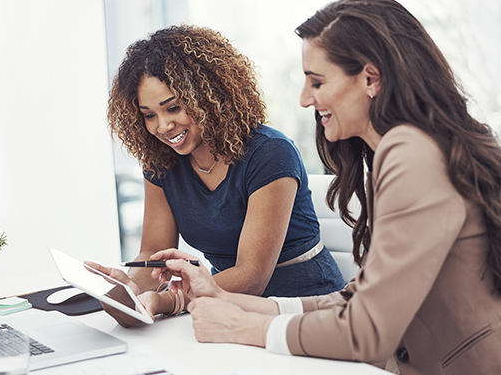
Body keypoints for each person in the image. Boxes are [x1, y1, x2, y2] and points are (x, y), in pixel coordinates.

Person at [125, 0, 501, 374]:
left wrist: (246, 328)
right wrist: (232, 302)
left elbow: (368, 331)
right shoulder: (405, 150)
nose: (303, 98)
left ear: (370, 79)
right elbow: (360, 297)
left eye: (316, 82)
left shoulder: (411, 153)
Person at [95, 25, 345, 327]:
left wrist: (166, 300)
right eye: (149, 115)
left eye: (173, 107)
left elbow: (252, 276)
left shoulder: (270, 153)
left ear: (208, 96)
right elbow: (152, 252)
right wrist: (131, 289)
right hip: (222, 304)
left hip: (303, 307)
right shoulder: (162, 162)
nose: (162, 126)